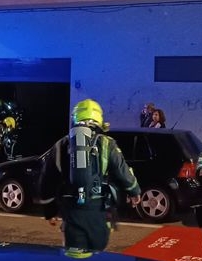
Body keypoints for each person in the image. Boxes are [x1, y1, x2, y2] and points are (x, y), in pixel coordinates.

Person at [40, 99, 141, 252]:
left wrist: (49, 211)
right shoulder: (107, 143)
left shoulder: (61, 145)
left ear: (75, 118)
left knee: (76, 260)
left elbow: (47, 180)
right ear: (98, 118)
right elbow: (123, 171)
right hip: (99, 211)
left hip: (72, 211)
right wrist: (135, 192)